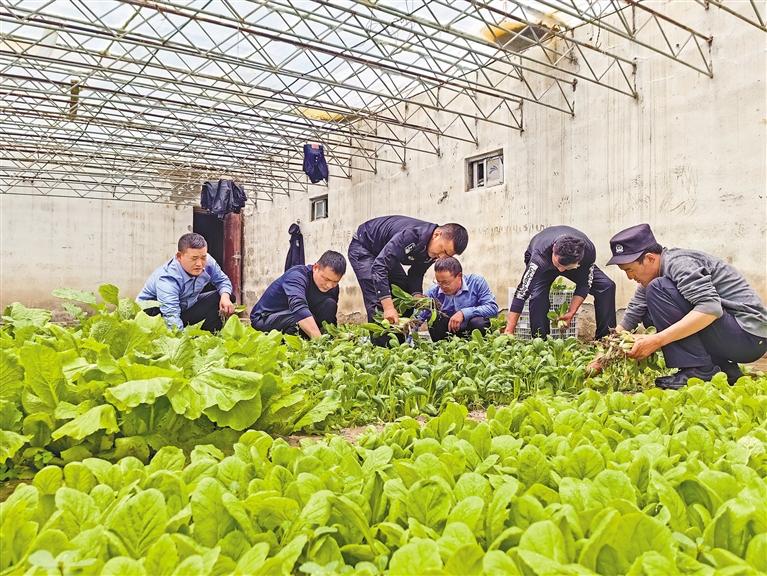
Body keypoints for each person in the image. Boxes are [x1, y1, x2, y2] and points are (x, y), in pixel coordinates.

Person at [595, 223, 767, 389]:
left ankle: (698, 370)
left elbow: (711, 308)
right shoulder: (654, 275)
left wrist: (657, 340)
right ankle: (724, 369)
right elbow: (632, 315)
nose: (629, 277)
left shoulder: (679, 264)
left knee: (658, 289)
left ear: (650, 258)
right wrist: (603, 356)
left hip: (748, 337)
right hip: (735, 336)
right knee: (649, 314)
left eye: (629, 270)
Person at [347, 215, 469, 324]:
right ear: (437, 235)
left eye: (447, 255)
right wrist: (388, 307)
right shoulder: (411, 235)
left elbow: (416, 272)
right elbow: (380, 266)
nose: (441, 257)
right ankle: (382, 341)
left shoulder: (434, 252)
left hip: (386, 253)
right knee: (379, 301)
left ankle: (400, 337)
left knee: (405, 292)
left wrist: (416, 295)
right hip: (365, 246)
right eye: (443, 250)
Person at [504, 226, 616, 339]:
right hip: (546, 263)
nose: (561, 270)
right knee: (538, 295)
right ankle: (541, 341)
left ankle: (605, 339)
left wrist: (571, 312)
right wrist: (509, 331)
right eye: (558, 265)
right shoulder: (539, 257)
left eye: (565, 267)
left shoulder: (588, 252)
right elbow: (522, 291)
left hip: (573, 265)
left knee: (606, 286)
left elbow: (584, 284)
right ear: (554, 249)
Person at [138, 232, 235, 332]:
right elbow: (171, 316)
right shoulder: (168, 279)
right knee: (170, 322)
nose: (199, 264)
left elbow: (222, 281)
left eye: (203, 257)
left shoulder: (208, 263)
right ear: (179, 256)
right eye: (194, 258)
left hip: (184, 307)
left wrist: (225, 297)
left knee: (225, 297)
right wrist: (183, 339)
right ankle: (188, 337)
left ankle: (210, 336)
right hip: (155, 315)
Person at [250, 250, 346, 339]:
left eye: (335, 281)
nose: (329, 285)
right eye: (326, 279)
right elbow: (299, 308)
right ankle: (294, 342)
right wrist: (320, 341)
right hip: (265, 318)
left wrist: (334, 337)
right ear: (315, 268)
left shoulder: (333, 287)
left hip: (296, 315)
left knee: (330, 304)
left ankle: (312, 337)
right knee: (298, 318)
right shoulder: (297, 276)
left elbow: (330, 318)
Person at [422, 257, 498, 341]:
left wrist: (463, 313)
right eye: (438, 282)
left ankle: (478, 346)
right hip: (448, 333)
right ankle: (443, 346)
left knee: (478, 322)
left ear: (459, 276)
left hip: (471, 329)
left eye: (446, 283)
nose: (442, 287)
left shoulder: (476, 282)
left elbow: (492, 308)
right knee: (433, 318)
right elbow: (418, 317)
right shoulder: (434, 291)